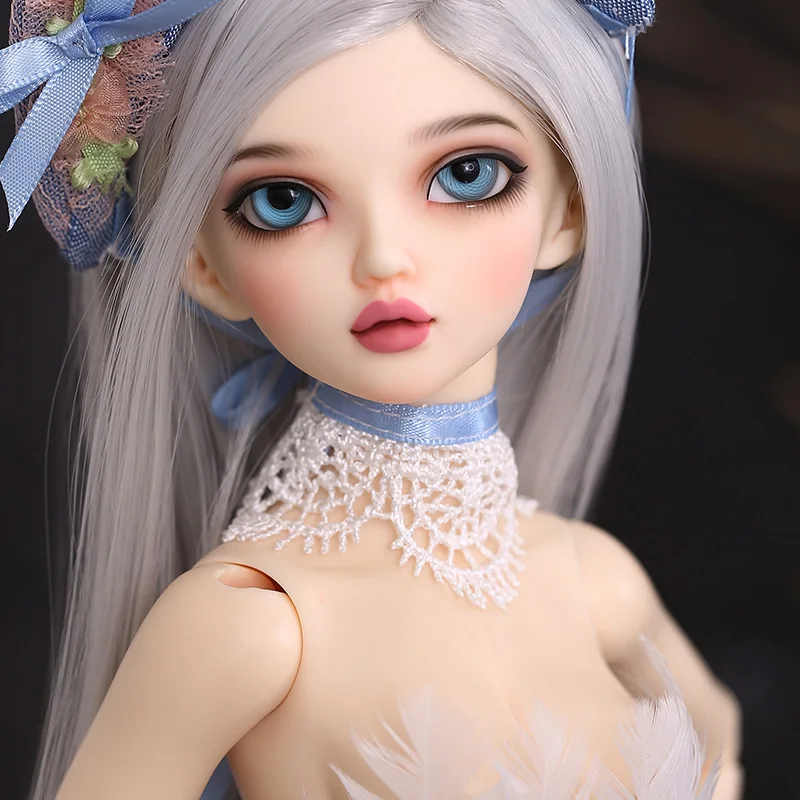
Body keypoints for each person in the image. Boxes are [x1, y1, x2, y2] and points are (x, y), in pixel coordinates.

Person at [0, 0, 742, 797]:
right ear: (203, 265)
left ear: (569, 208)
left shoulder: (596, 583)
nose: (385, 259)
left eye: (467, 175)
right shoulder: (251, 628)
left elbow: (721, 747)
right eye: (282, 201)